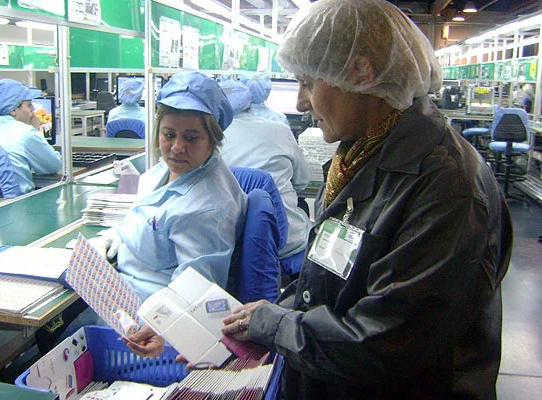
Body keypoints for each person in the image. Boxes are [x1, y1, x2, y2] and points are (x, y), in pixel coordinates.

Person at [127, 1, 513, 399]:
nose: (299, 102)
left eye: (308, 82)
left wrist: (275, 327)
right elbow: (329, 281)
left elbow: (381, 343)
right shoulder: (363, 155)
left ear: (361, 73)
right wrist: (249, 328)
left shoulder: (446, 187)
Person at [88, 71, 247, 302]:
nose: (177, 147)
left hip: (146, 313)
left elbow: (192, 298)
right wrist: (112, 236)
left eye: (191, 138)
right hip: (119, 284)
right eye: (169, 135)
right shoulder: (169, 169)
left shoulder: (207, 211)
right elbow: (143, 213)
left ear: (213, 139)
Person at [218, 78, 311, 273]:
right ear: (249, 104)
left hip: (234, 249)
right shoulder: (280, 129)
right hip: (287, 246)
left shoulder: (209, 141)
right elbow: (303, 182)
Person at [0, 78, 61, 195]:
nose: (33, 110)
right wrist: (36, 130)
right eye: (29, 105)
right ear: (13, 109)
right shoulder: (26, 132)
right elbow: (52, 166)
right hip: (18, 203)